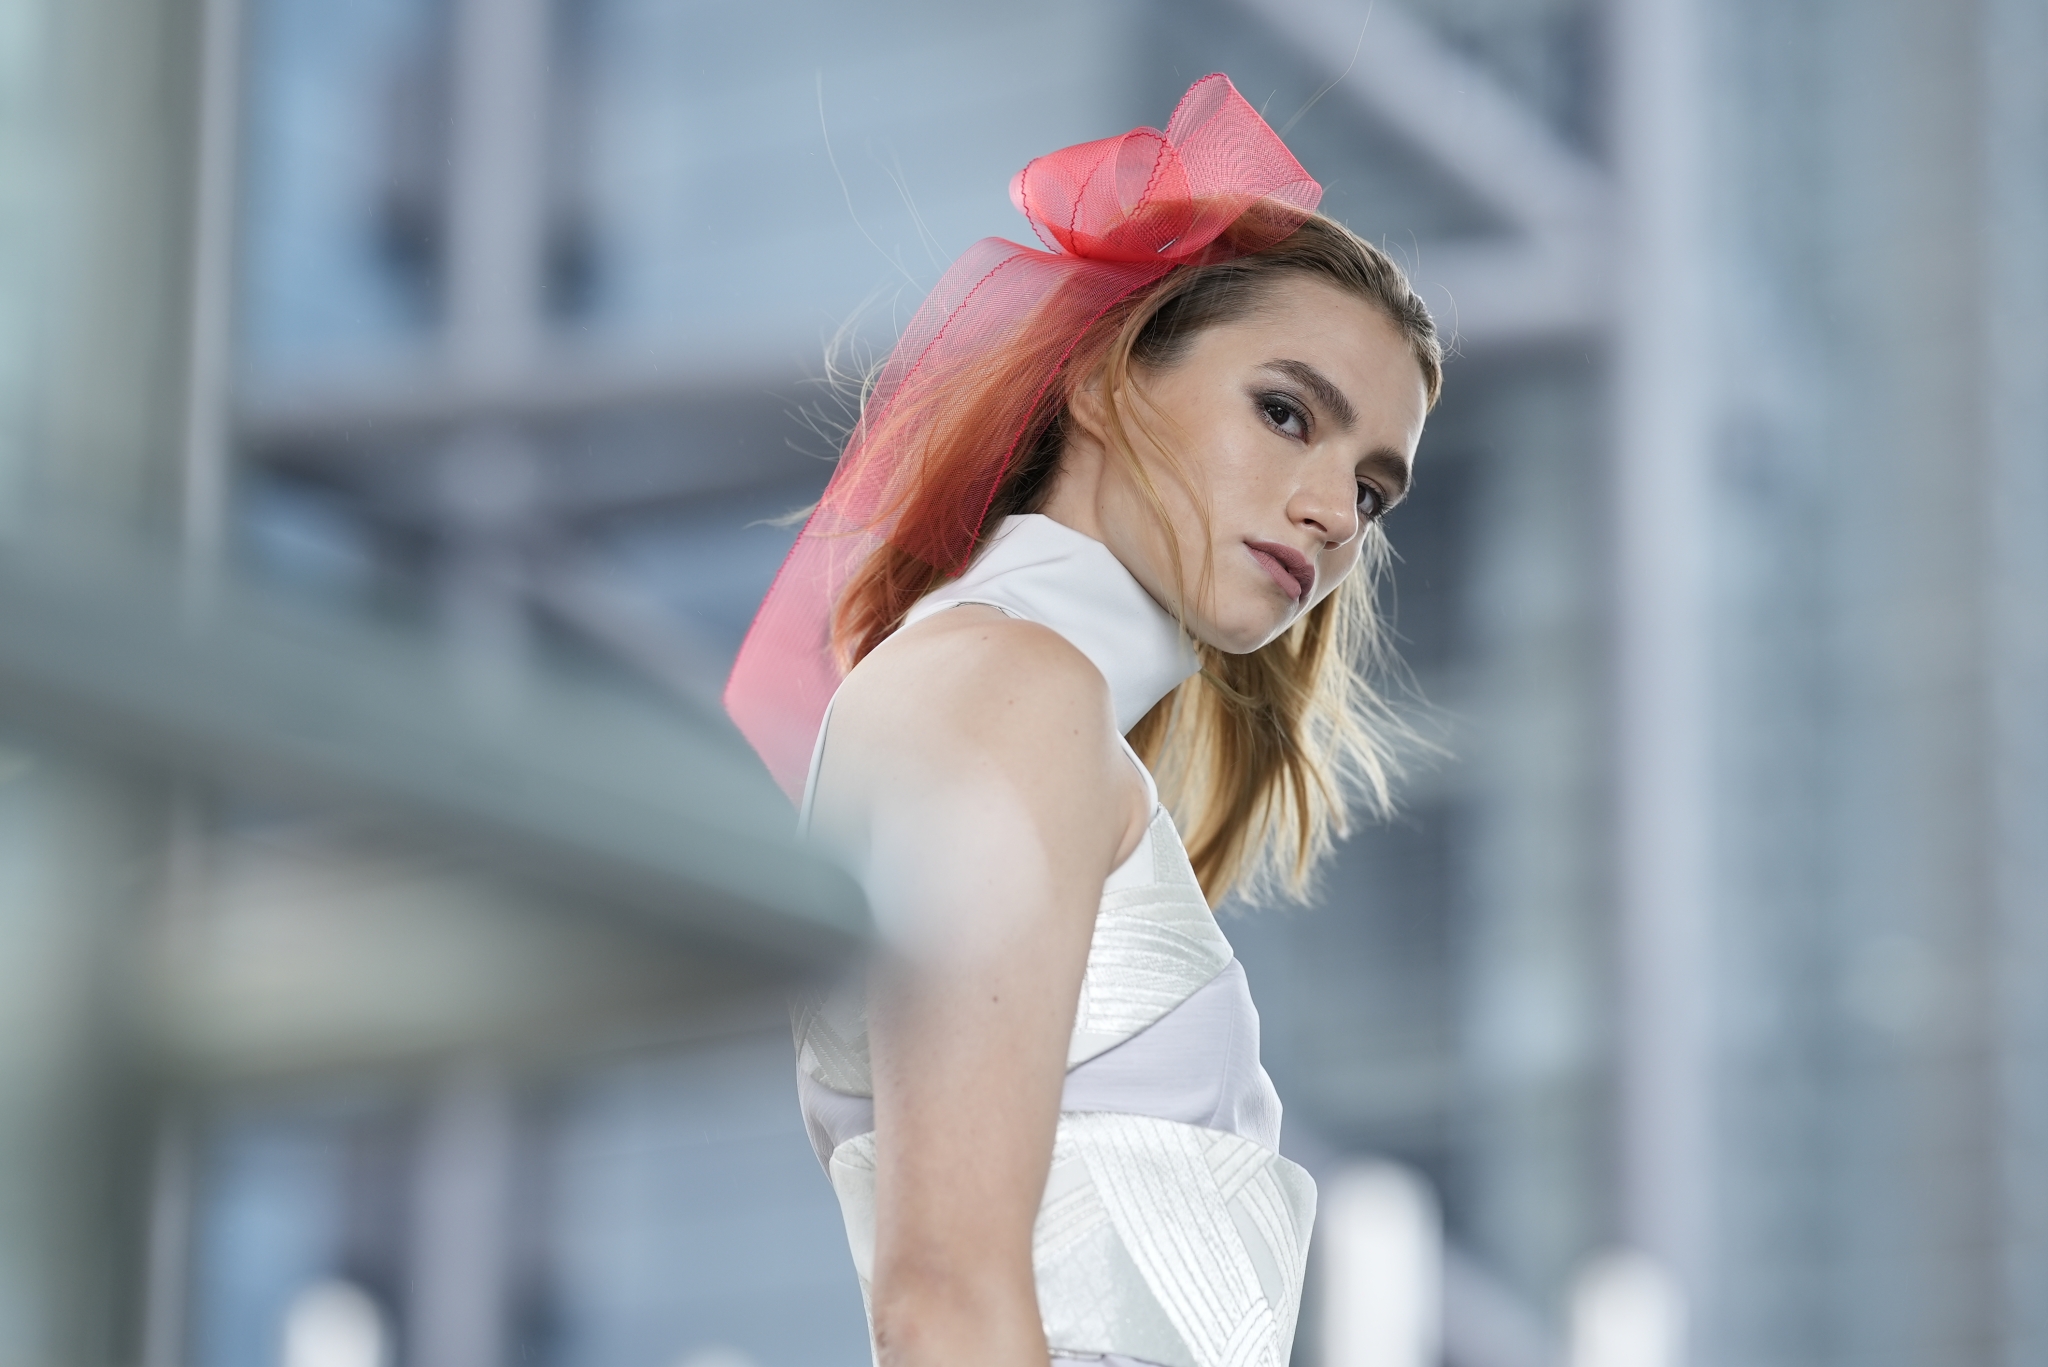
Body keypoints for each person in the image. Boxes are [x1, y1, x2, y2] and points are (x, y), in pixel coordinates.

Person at [725, 74, 1441, 1367]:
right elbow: (944, 1301)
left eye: (1374, 490)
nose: (1337, 512)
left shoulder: (996, 691)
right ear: (1109, 379)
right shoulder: (1007, 689)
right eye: (1286, 413)